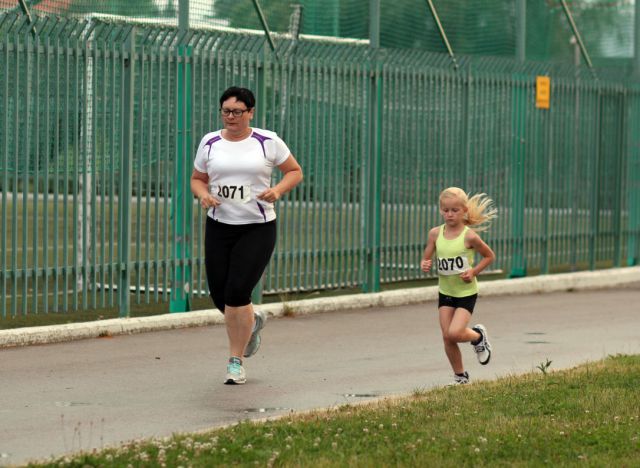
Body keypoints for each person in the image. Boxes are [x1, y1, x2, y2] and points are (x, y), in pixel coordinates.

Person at [190, 86, 303, 385]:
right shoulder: (210, 142)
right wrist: (203, 196)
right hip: (219, 225)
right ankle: (252, 322)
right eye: (226, 111)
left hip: (257, 226)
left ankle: (235, 362)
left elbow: (294, 171)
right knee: (220, 295)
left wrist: (277, 190)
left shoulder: (267, 141)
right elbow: (197, 178)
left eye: (237, 112)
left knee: (238, 292)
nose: (231, 117)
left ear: (250, 112)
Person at [420, 187, 497, 385]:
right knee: (447, 337)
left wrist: (473, 272)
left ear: (464, 211)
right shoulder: (435, 234)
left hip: (465, 292)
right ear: (440, 210)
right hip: (446, 292)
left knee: (455, 332)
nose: (449, 214)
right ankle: (460, 376)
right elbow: (427, 257)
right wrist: (425, 263)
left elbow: (489, 256)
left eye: (454, 210)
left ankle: (478, 337)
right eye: (445, 210)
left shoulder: (469, 236)